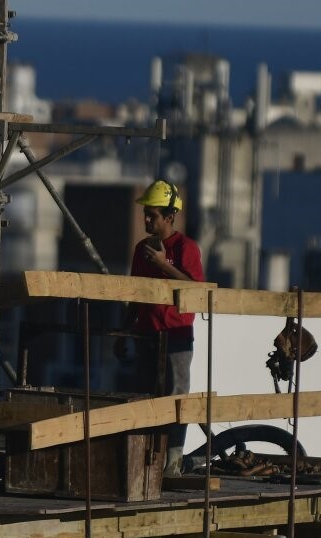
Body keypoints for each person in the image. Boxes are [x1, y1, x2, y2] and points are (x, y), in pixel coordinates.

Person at [121, 179, 204, 476]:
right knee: (145, 395)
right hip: (147, 334)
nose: (146, 219)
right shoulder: (141, 249)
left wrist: (162, 264)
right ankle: (144, 460)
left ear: (170, 217)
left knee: (176, 394)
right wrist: (126, 329)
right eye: (146, 213)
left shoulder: (186, 248)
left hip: (177, 337)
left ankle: (172, 462)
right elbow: (135, 292)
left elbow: (196, 289)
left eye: (152, 214)